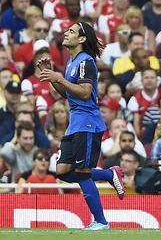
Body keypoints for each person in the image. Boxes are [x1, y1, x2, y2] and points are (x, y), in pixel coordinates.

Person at [36, 22, 125, 230]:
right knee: (63, 171)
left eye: (71, 32)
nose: (66, 34)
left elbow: (85, 92)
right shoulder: (71, 62)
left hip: (87, 122)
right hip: (74, 123)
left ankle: (101, 221)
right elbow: (68, 93)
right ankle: (108, 175)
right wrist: (51, 76)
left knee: (83, 171)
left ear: (82, 39)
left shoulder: (86, 62)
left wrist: (58, 78)